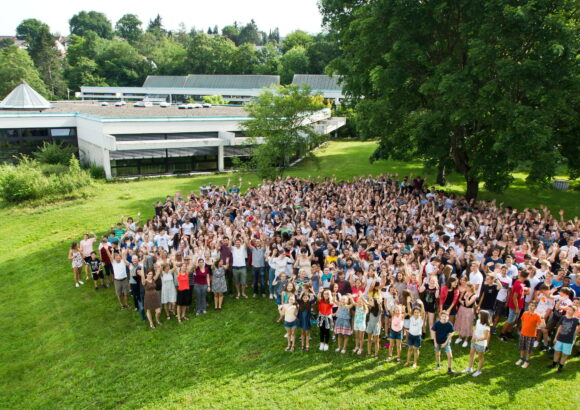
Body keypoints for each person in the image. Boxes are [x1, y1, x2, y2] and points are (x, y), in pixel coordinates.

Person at [500, 270, 529, 341]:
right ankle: (502, 334)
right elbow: (514, 297)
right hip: (514, 306)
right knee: (510, 321)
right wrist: (516, 308)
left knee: (514, 321)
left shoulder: (521, 283)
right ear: (526, 277)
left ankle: (508, 333)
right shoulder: (518, 284)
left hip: (519, 306)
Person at [548, 305, 579, 372]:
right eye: (568, 309)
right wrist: (555, 337)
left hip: (568, 340)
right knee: (557, 352)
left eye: (570, 310)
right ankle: (554, 364)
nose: (568, 311)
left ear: (574, 311)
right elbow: (559, 328)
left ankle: (560, 367)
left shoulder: (576, 320)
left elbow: (576, 331)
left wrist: (574, 340)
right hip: (560, 338)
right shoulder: (563, 317)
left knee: (564, 354)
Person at [462, 310, 491, 377]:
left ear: (483, 316)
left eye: (479, 314)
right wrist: (473, 337)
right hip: (474, 341)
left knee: (480, 357)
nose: (478, 315)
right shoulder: (478, 321)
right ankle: (469, 368)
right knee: (471, 354)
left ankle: (478, 371)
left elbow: (485, 337)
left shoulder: (486, 327)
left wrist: (476, 339)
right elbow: (475, 329)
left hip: (481, 344)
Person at [516, 301, 543, 368]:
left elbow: (543, 325)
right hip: (523, 334)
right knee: (522, 347)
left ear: (535, 307)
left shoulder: (537, 316)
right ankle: (521, 358)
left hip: (531, 336)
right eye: (530, 305)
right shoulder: (525, 313)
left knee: (528, 349)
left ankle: (527, 361)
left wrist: (542, 318)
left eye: (533, 306)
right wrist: (522, 329)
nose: (531, 307)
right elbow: (522, 320)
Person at [432, 311, 457, 375]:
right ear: (440, 317)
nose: (444, 318)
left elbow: (451, 333)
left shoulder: (449, 324)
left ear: (448, 317)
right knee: (437, 354)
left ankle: (449, 369)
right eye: (443, 316)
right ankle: (438, 366)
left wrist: (445, 343)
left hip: (446, 342)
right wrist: (435, 342)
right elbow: (433, 332)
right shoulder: (437, 323)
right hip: (437, 342)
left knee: (450, 356)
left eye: (446, 316)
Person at [454, 282, 478, 347]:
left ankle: (466, 340)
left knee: (467, 324)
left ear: (471, 287)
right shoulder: (464, 292)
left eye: (467, 287)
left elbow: (468, 304)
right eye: (465, 287)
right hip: (462, 309)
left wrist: (466, 298)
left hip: (469, 311)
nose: (465, 288)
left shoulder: (474, 296)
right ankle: (460, 337)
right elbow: (459, 299)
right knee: (460, 322)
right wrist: (462, 302)